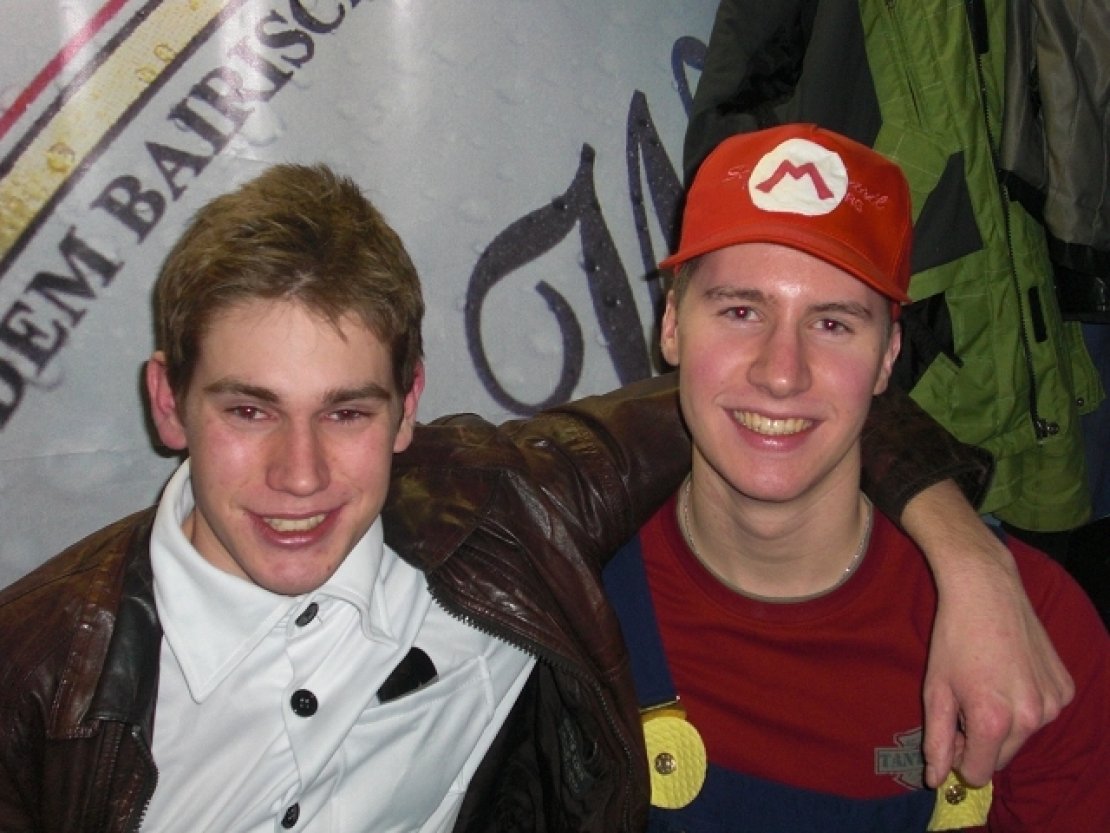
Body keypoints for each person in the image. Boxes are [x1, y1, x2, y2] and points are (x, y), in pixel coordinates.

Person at [0, 162, 1072, 832]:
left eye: (347, 411)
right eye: (248, 409)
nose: (300, 475)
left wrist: (970, 558)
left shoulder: (499, 521)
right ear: (168, 401)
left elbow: (793, 410)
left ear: (410, 408)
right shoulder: (35, 680)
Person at [602, 123, 1109, 831]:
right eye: (742, 311)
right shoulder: (566, 601)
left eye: (833, 324)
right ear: (672, 327)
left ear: (888, 356)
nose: (782, 373)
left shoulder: (1034, 631)